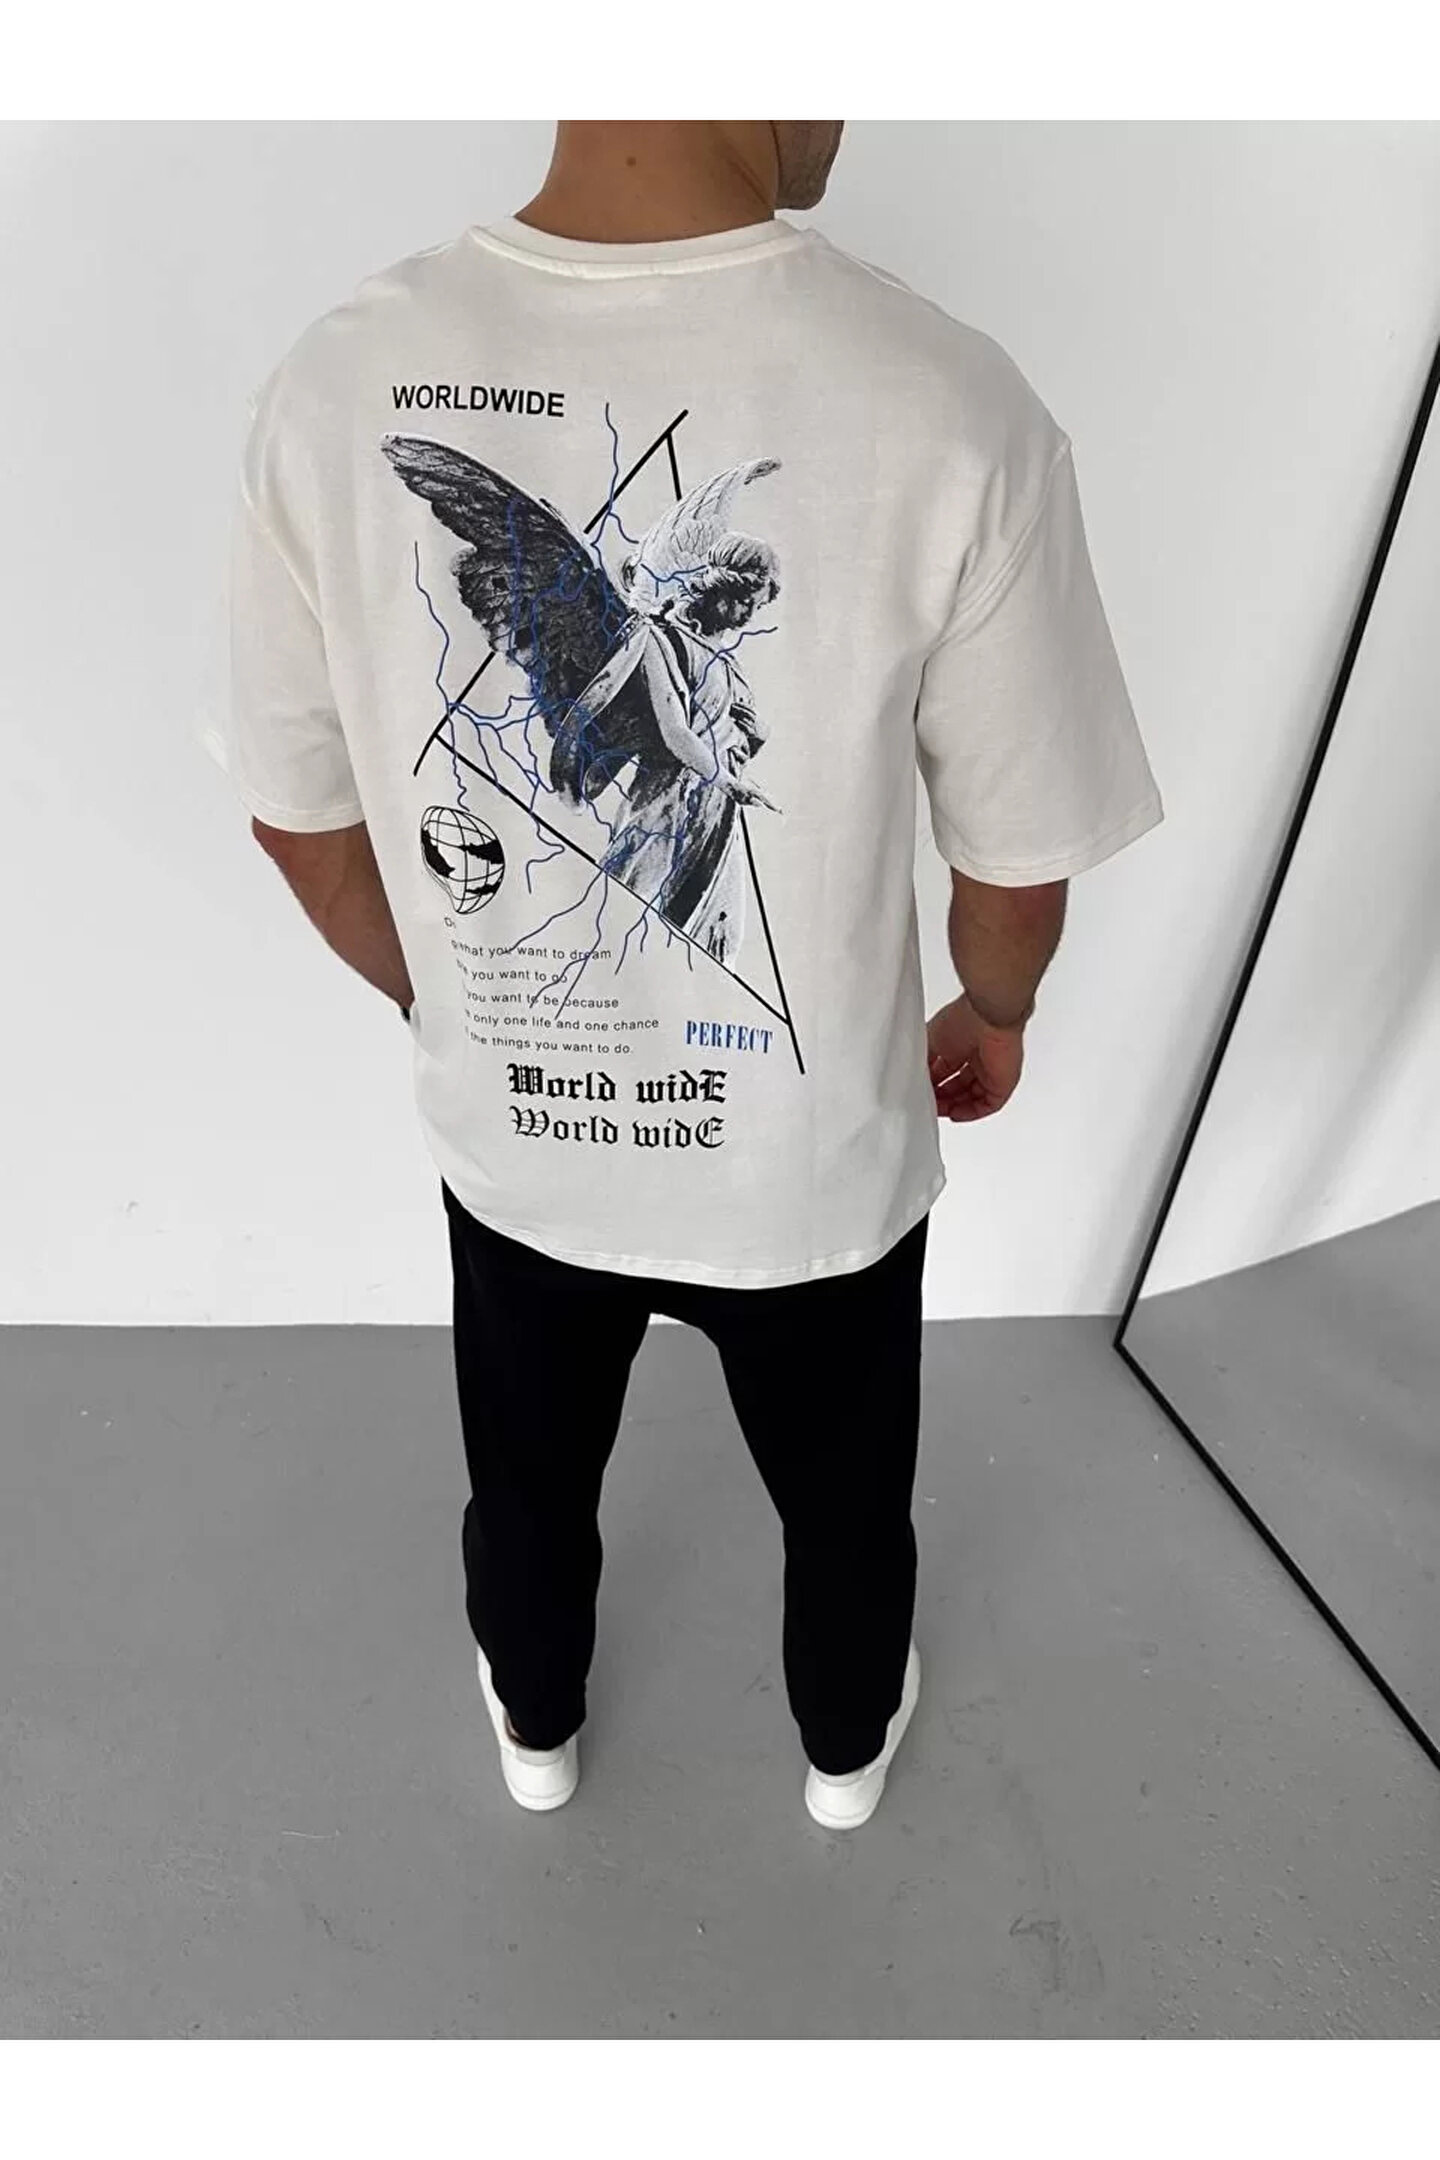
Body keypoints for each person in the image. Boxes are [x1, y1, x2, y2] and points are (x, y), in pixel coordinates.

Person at [208, 121, 1164, 1831]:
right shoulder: (951, 402)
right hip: (813, 1171)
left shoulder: (337, 377)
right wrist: (997, 1010)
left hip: (522, 1149)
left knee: (528, 1485)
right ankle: (844, 1747)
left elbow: (298, 818)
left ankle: (537, 1720)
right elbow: (1017, 860)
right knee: (845, 1500)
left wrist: (443, 1005)